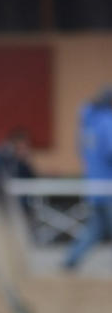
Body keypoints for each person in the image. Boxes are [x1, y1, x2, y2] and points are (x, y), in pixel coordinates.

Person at [62, 86, 112, 271]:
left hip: (93, 185)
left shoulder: (88, 123)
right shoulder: (107, 122)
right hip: (108, 186)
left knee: (95, 230)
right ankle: (70, 260)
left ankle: (70, 260)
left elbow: (82, 152)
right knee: (97, 228)